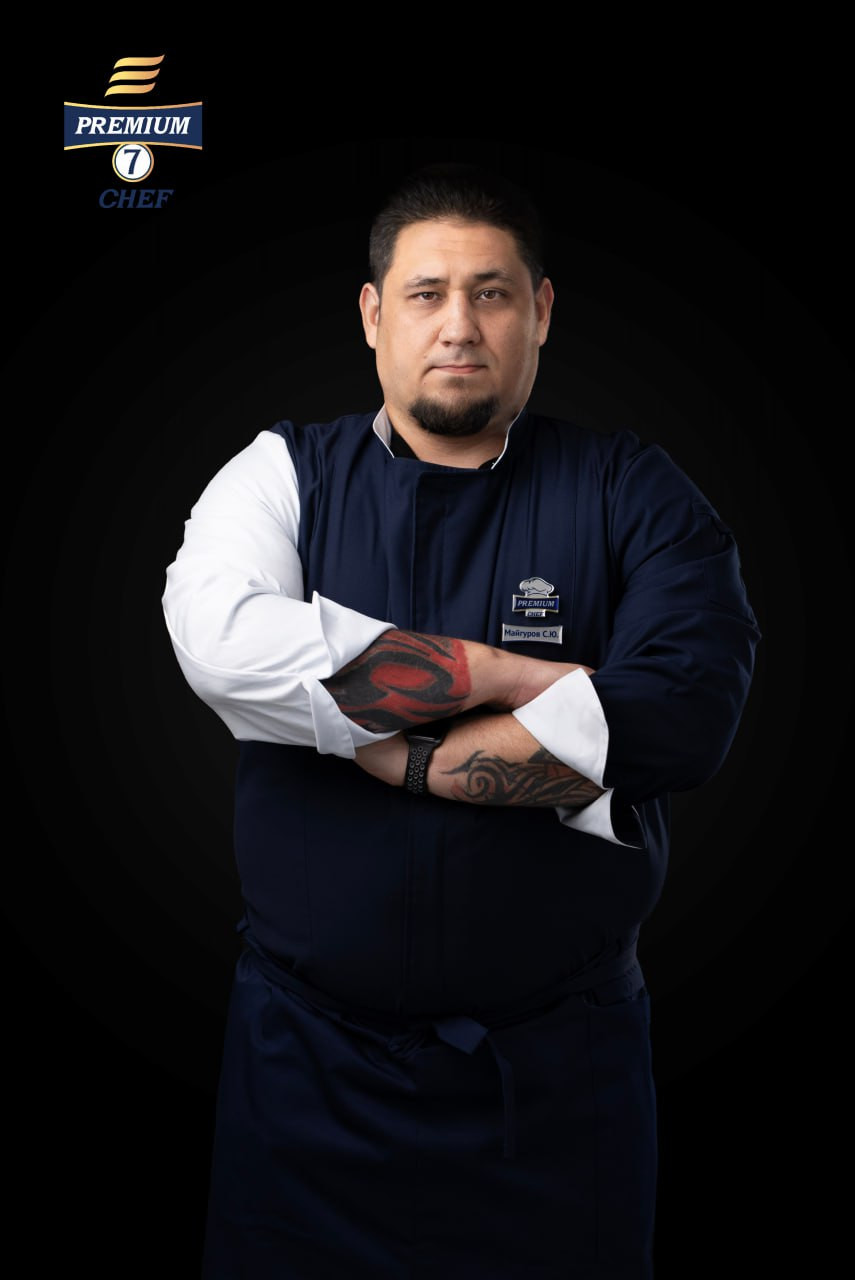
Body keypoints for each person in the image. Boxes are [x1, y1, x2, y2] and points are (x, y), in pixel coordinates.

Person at [162, 161, 761, 1278]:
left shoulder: (631, 489)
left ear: (540, 311)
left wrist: (408, 757)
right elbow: (223, 645)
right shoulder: (280, 473)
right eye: (426, 293)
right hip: (305, 1078)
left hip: (558, 1084)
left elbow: (686, 707)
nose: (459, 325)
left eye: (491, 293)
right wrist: (508, 674)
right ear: (372, 315)